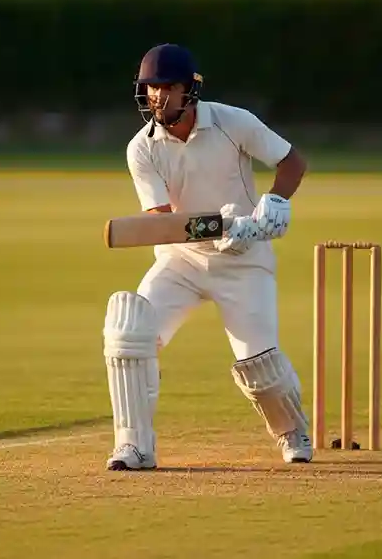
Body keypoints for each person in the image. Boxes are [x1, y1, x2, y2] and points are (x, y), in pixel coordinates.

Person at [101, 43, 312, 471]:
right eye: (151, 87)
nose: (158, 96)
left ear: (189, 90)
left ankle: (293, 431)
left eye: (167, 87)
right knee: (130, 333)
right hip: (181, 260)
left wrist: (270, 205)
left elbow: (292, 162)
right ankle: (134, 446)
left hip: (245, 258)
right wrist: (222, 226)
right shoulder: (141, 148)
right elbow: (163, 222)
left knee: (259, 363)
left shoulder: (233, 122)